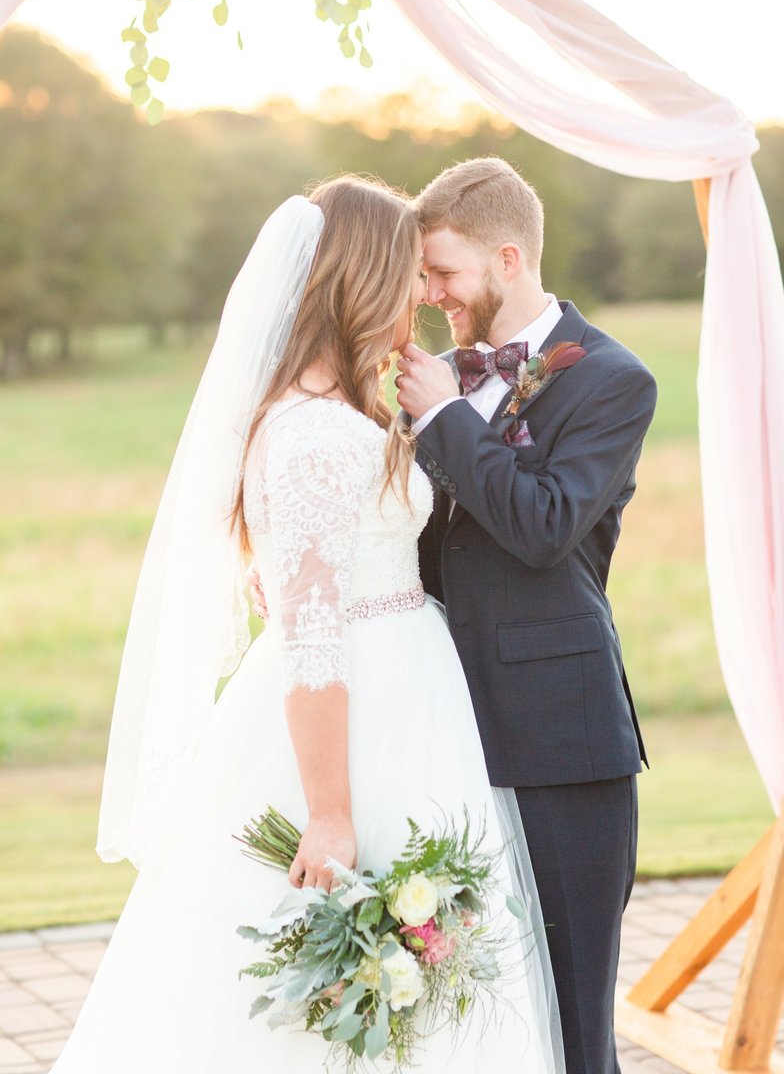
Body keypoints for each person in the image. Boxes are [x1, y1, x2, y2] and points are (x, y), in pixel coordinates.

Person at [49, 175, 565, 1074]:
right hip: (358, 718)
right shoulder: (314, 437)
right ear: (362, 278)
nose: (420, 294)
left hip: (402, 698)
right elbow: (314, 634)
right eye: (408, 274)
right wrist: (328, 811)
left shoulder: (326, 416)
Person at [394, 157, 658, 1074]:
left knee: (574, 1018)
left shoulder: (615, 381)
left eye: (444, 273)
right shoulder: (442, 380)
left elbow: (545, 528)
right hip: (441, 733)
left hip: (561, 740)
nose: (432, 296)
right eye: (425, 277)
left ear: (507, 258)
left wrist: (446, 425)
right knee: (476, 1015)